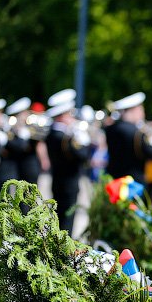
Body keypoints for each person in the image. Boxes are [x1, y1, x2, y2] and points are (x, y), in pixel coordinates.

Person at [44, 89, 91, 232]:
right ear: (62, 116)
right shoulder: (65, 137)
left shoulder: (53, 133)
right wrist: (84, 141)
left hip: (57, 181)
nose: (72, 117)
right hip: (68, 183)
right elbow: (83, 156)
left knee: (60, 218)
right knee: (66, 223)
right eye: (70, 114)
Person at [103, 92, 152, 184]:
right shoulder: (137, 132)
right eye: (141, 110)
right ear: (134, 110)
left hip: (114, 180)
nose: (143, 114)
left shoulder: (110, 129)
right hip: (134, 182)